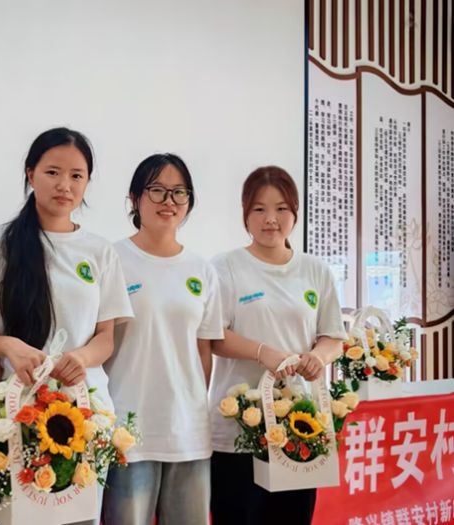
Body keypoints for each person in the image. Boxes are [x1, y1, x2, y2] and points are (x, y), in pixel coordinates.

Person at [0, 127, 133, 525]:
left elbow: (106, 338)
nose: (65, 185)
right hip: (17, 412)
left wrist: (81, 357)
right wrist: (7, 346)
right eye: (53, 172)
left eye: (77, 175)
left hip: (86, 410)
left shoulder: (99, 251)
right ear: (30, 174)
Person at [208, 166, 346, 525]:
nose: (271, 219)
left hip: (299, 428)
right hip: (236, 430)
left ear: (295, 212)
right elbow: (214, 335)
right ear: (245, 214)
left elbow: (333, 336)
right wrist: (261, 352)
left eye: (281, 208)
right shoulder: (224, 267)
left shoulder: (315, 270)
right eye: (259, 209)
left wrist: (318, 357)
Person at [101, 154, 223, 525]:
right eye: (157, 190)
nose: (169, 201)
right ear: (135, 198)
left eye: (179, 192)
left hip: (188, 431)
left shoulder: (201, 270)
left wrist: (190, 403)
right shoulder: (112, 259)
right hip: (127, 429)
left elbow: (203, 350)